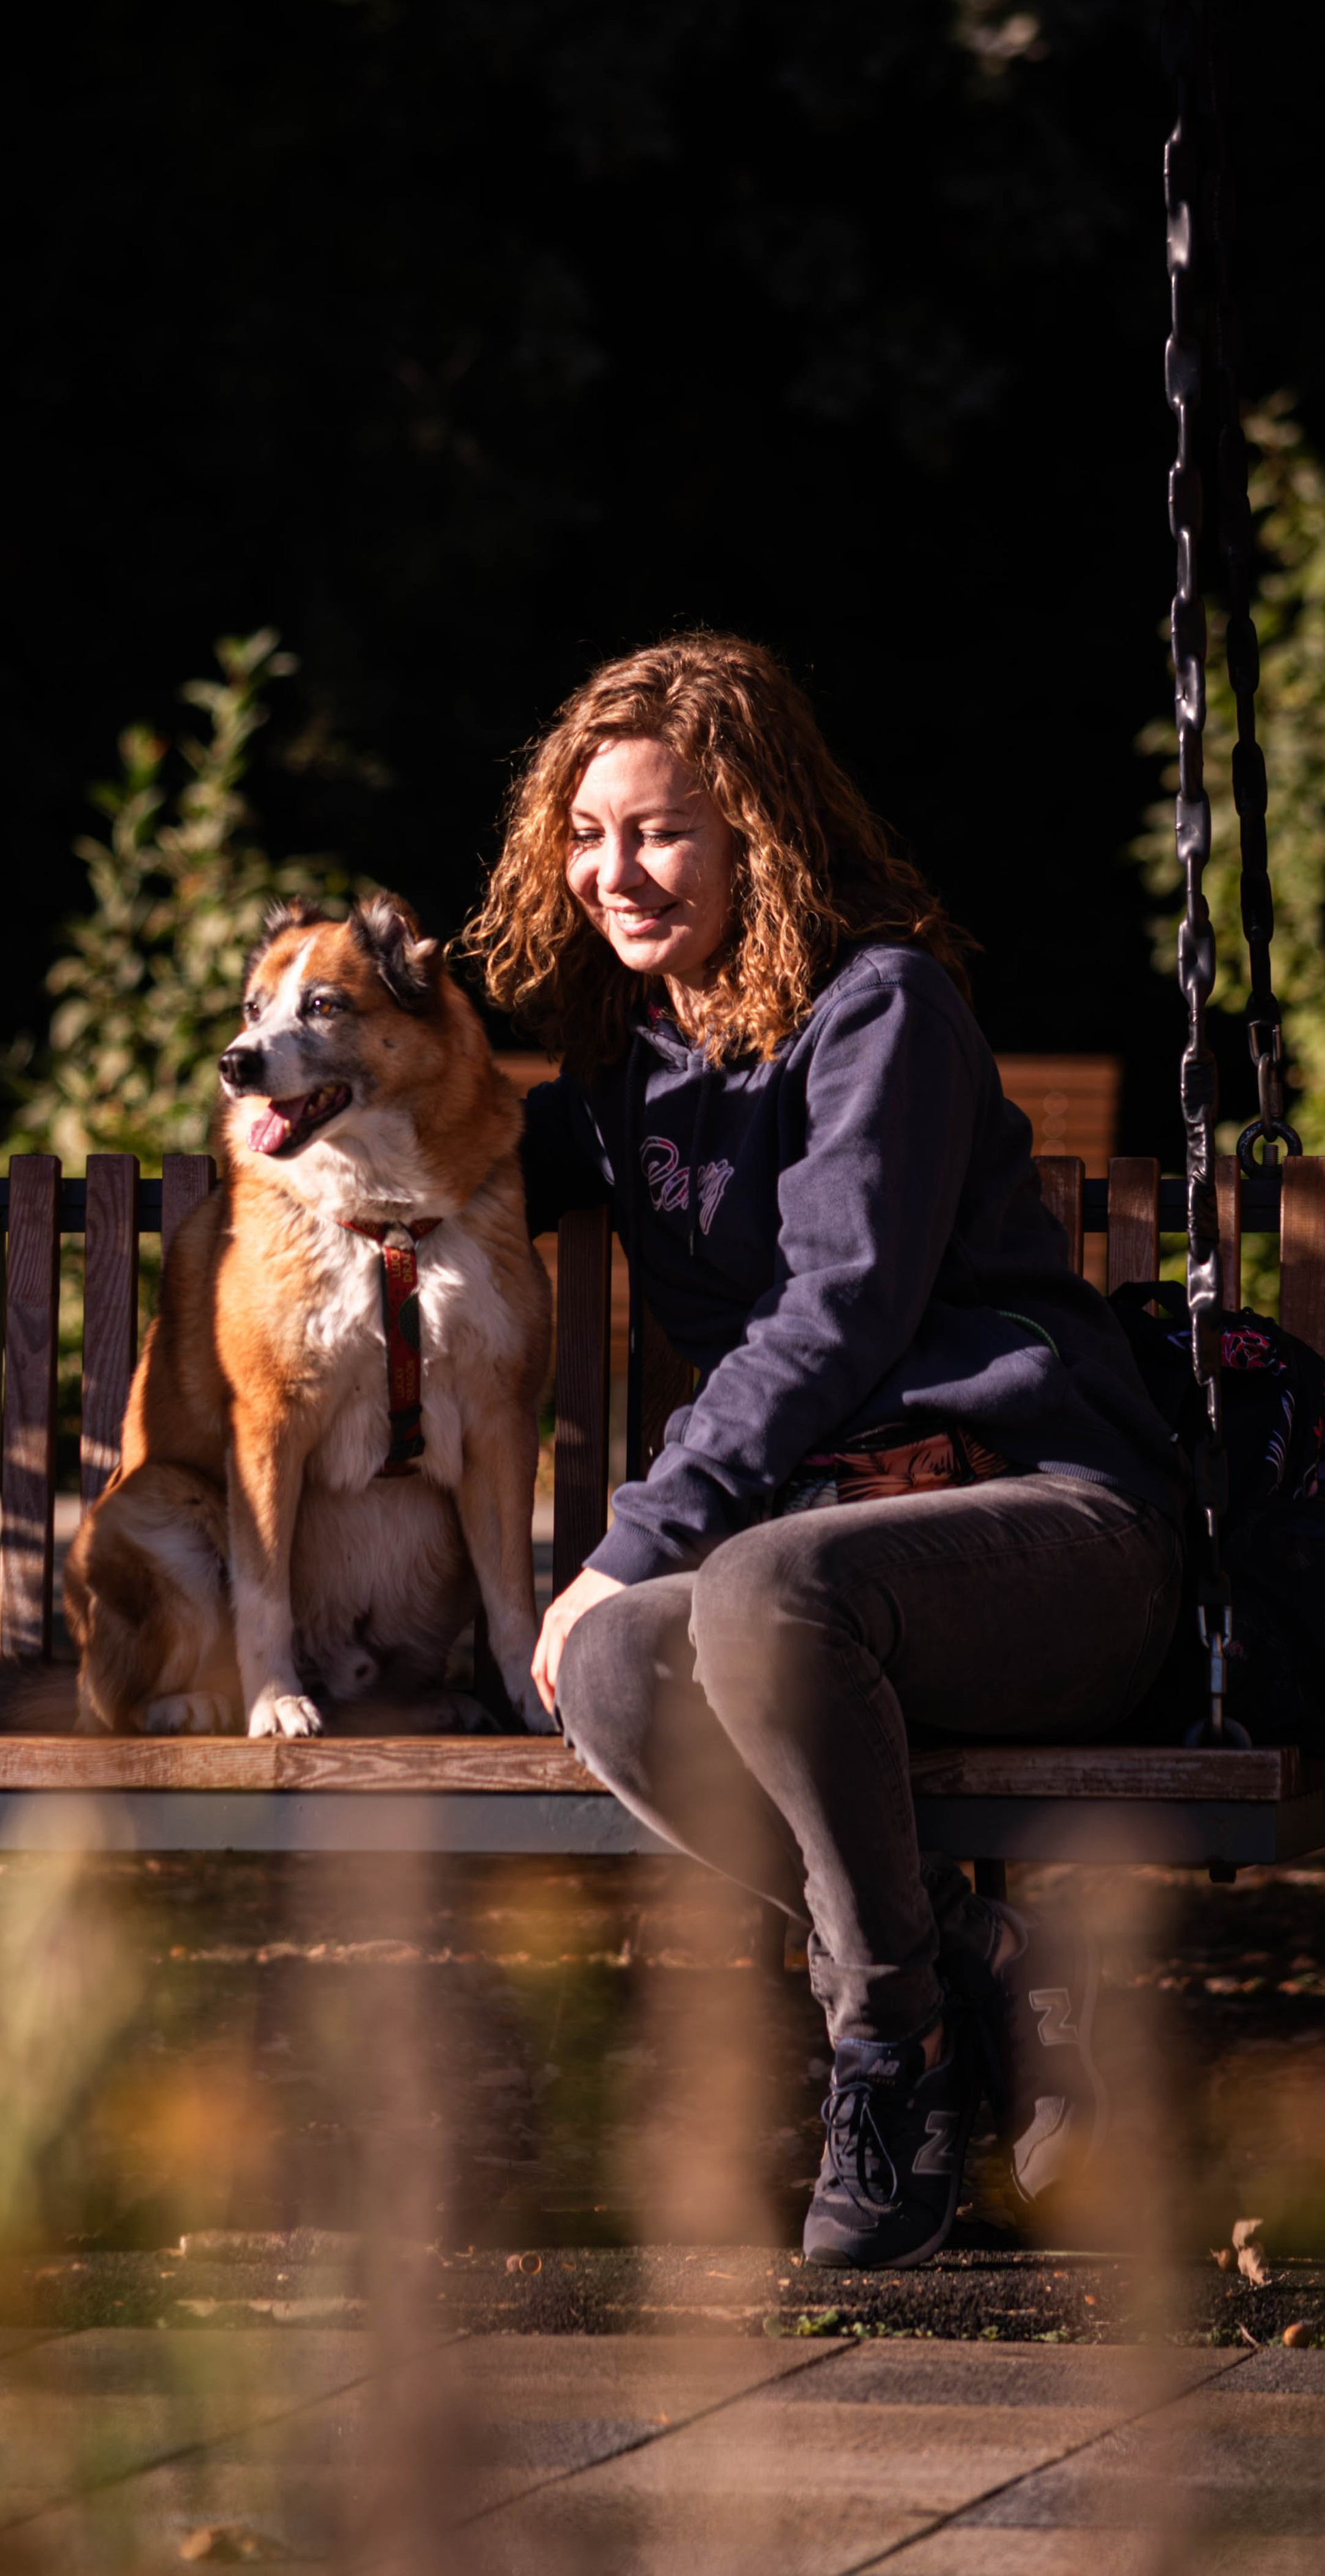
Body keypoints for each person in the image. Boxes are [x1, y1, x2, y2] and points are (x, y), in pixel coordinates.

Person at [463, 632, 1184, 2270]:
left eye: (655, 830)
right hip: (817, 1591)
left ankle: (887, 2065)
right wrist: (320, 1108)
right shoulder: (632, 1070)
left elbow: (835, 1312)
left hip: (1050, 1533)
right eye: (585, 834)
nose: (610, 871)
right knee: (628, 1667)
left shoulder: (881, 1014)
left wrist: (626, 1539)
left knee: (746, 1586)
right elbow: (462, 1140)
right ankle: (962, 1970)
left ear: (753, 832)